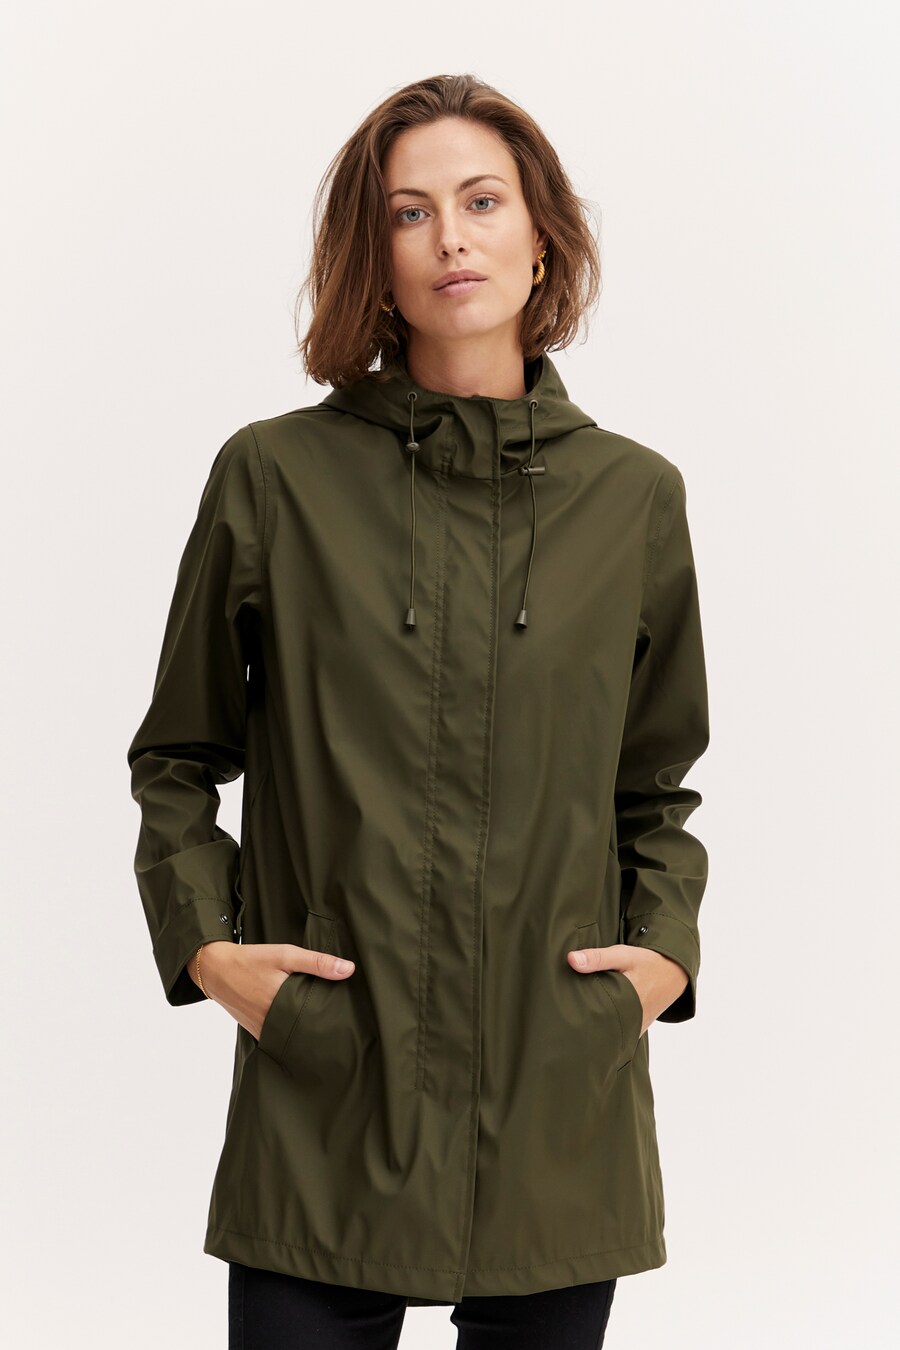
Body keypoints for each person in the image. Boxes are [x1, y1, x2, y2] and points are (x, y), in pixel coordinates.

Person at [127, 72, 710, 1350]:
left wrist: (661, 957)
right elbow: (175, 756)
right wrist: (209, 950)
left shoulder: (633, 498)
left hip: (554, 1097)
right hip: (329, 1089)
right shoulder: (274, 478)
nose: (451, 237)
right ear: (374, 259)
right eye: (410, 212)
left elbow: (655, 784)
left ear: (541, 235)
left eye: (483, 201)